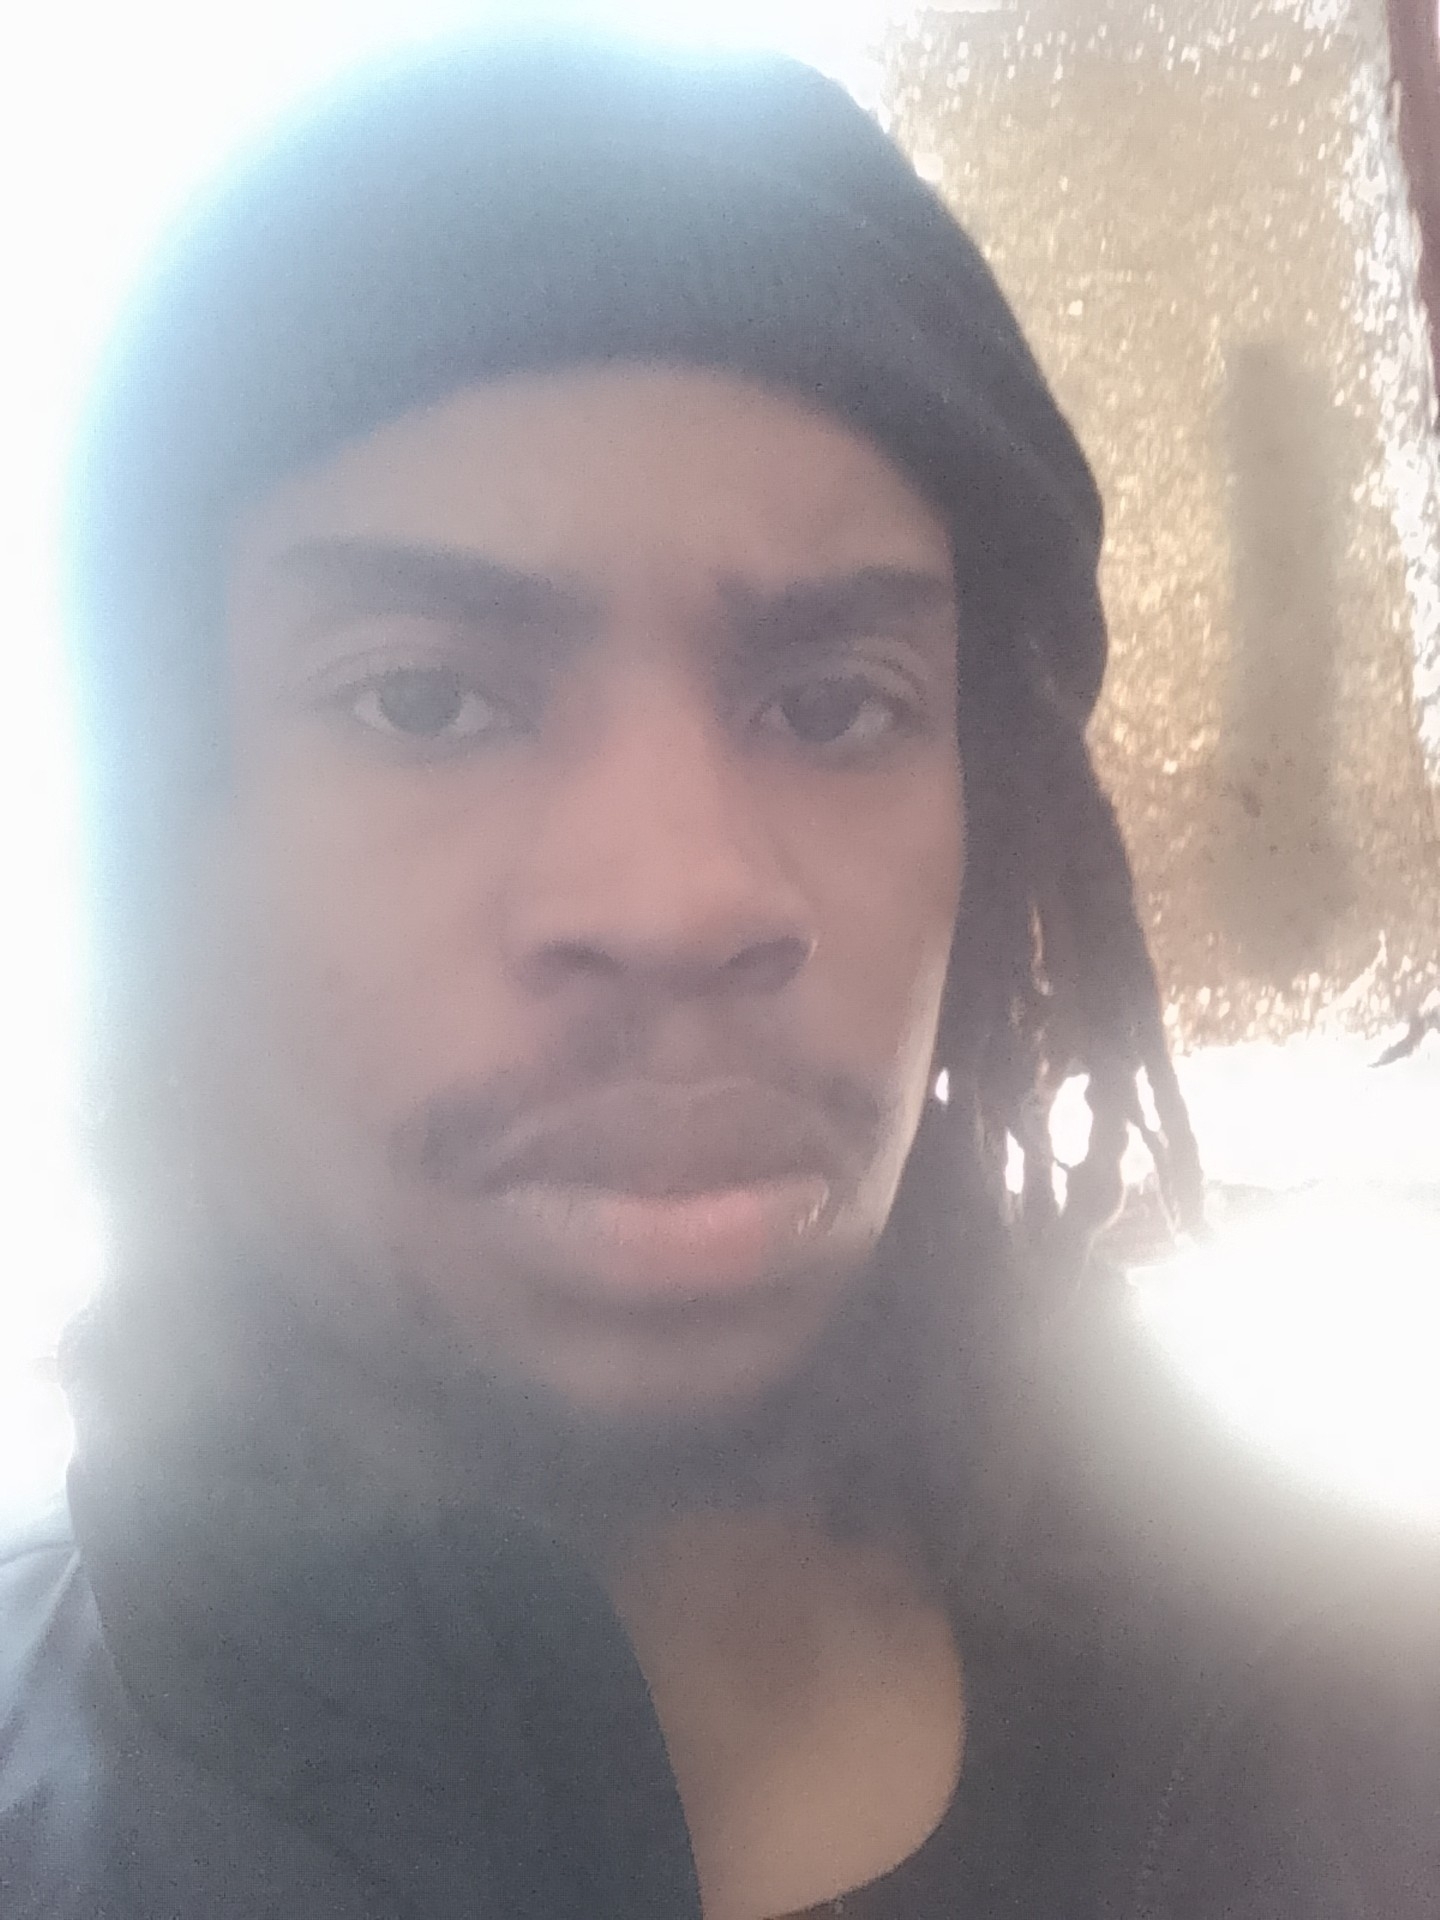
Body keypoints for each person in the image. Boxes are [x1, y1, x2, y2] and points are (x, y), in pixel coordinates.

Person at [1, 34, 1435, 1920]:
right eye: (426, 699)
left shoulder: (1383, 1750)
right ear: (170, 844)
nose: (683, 898)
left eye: (835, 704)